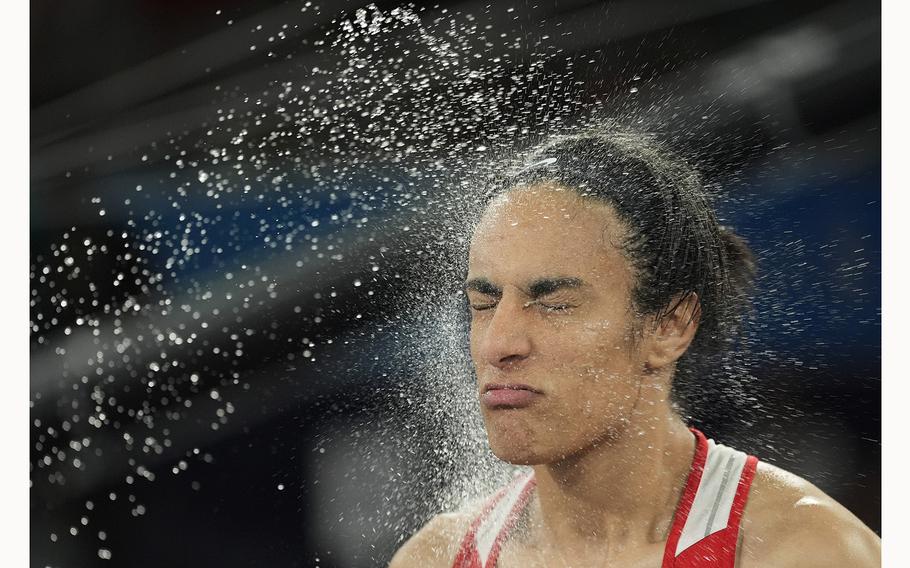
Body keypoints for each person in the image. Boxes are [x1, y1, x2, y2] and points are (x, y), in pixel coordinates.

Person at [389, 129, 881, 567]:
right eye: (484, 303)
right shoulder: (436, 556)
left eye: (555, 304)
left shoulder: (806, 552)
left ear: (669, 326)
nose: (499, 344)